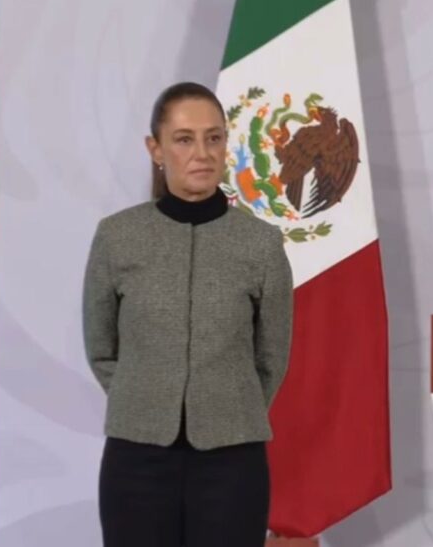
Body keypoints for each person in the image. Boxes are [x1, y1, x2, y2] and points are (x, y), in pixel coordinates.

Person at [82, 82, 294, 546]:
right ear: (155, 149)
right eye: (183, 139)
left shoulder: (261, 244)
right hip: (136, 461)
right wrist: (145, 398)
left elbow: (271, 357)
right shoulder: (117, 237)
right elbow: (101, 348)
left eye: (213, 137)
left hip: (232, 462)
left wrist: (227, 407)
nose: (202, 152)